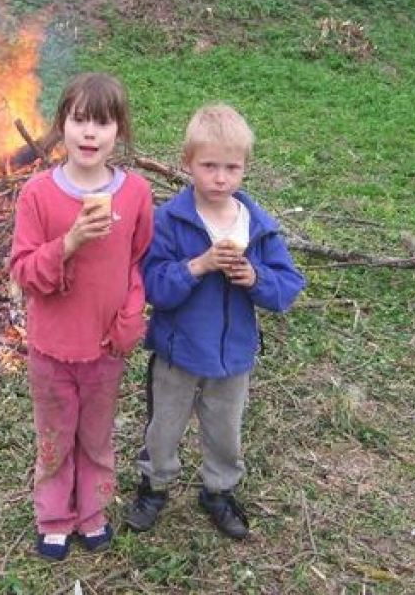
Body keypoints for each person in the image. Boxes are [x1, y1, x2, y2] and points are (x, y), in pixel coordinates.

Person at [126, 103, 305, 539]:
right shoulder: (169, 221)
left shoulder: (256, 226)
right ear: (187, 163)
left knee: (225, 428)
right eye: (209, 166)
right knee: (164, 426)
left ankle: (219, 491)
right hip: (178, 351)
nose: (220, 177)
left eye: (232, 167)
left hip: (233, 356)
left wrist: (254, 277)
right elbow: (152, 284)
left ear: (245, 168)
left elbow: (287, 287)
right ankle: (154, 485)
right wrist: (199, 265)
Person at [9, 72, 154, 561]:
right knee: (54, 439)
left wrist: (130, 320)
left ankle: (91, 511)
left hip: (105, 350)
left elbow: (138, 261)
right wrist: (69, 242)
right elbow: (24, 271)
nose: (90, 133)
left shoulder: (135, 194)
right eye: (79, 120)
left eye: (103, 122)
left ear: (119, 132)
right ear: (61, 126)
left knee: (96, 437)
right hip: (51, 349)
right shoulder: (37, 194)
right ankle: (53, 517)